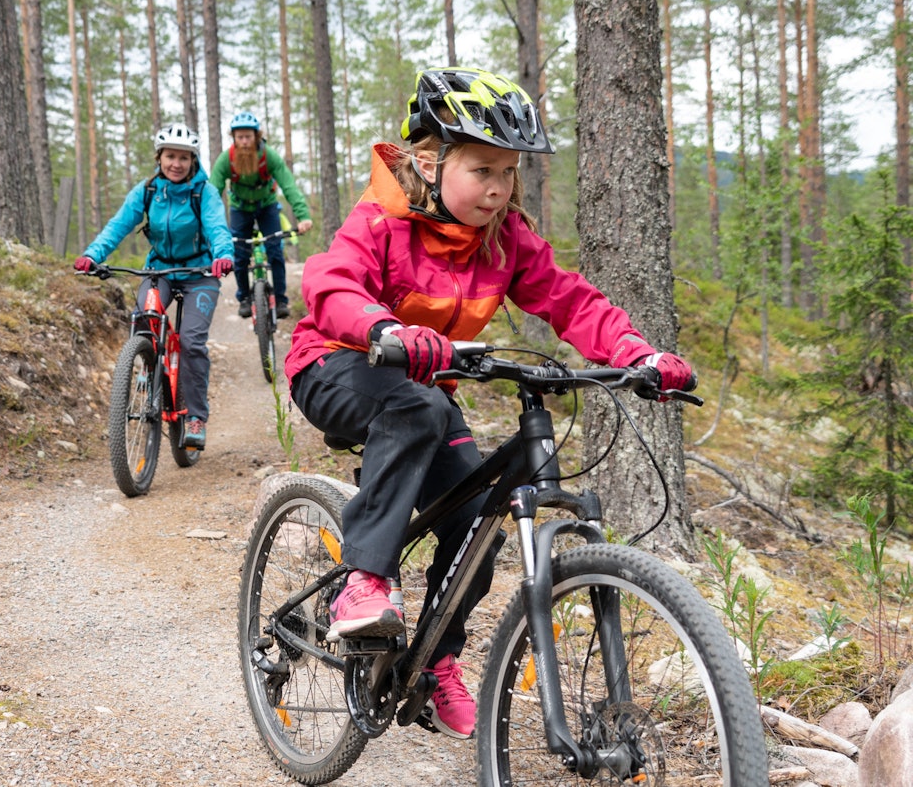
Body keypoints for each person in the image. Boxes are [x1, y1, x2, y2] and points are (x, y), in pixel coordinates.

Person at [282, 68, 695, 739]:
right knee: (415, 409)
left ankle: (434, 659)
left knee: (479, 516)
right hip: (335, 361)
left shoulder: (503, 236)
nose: (499, 187)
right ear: (428, 159)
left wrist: (636, 353)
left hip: (420, 385)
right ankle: (364, 579)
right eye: (483, 169)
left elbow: (569, 298)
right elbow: (331, 283)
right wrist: (384, 328)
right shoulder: (382, 221)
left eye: (509, 172)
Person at [73, 124, 234, 449]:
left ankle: (196, 416)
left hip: (200, 271)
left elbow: (217, 227)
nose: (176, 163)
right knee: (145, 323)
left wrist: (223, 255)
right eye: (170, 156)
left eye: (184, 158)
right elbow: (118, 225)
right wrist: (93, 254)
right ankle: (148, 374)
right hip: (159, 269)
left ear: (193, 161)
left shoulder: (204, 192)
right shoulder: (146, 191)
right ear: (159, 158)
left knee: (190, 341)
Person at [210, 111, 313, 321]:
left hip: (267, 206)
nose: (245, 142)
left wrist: (303, 215)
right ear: (234, 138)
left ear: (257, 136)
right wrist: (206, 224)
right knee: (239, 254)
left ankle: (282, 300)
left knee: (275, 250)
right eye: (240, 137)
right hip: (239, 208)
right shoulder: (226, 159)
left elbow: (288, 185)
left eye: (248, 136)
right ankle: (244, 299)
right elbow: (212, 193)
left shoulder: (269, 156)